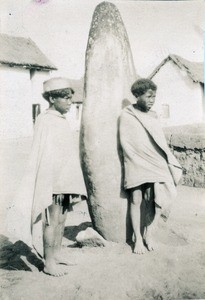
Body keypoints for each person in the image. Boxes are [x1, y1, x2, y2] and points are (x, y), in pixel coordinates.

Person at [8, 77, 87, 276]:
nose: (70, 102)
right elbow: (42, 154)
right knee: (51, 220)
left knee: (61, 219)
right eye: (66, 98)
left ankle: (57, 253)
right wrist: (48, 180)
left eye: (71, 98)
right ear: (52, 98)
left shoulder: (62, 120)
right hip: (52, 181)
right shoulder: (45, 121)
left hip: (65, 180)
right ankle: (48, 262)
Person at [119, 78, 182, 254]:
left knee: (157, 199)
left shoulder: (153, 116)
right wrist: (136, 158)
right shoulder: (127, 115)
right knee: (136, 199)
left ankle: (149, 233)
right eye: (148, 96)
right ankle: (137, 240)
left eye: (154, 96)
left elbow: (158, 142)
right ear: (137, 95)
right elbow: (126, 141)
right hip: (135, 162)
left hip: (154, 163)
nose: (152, 100)